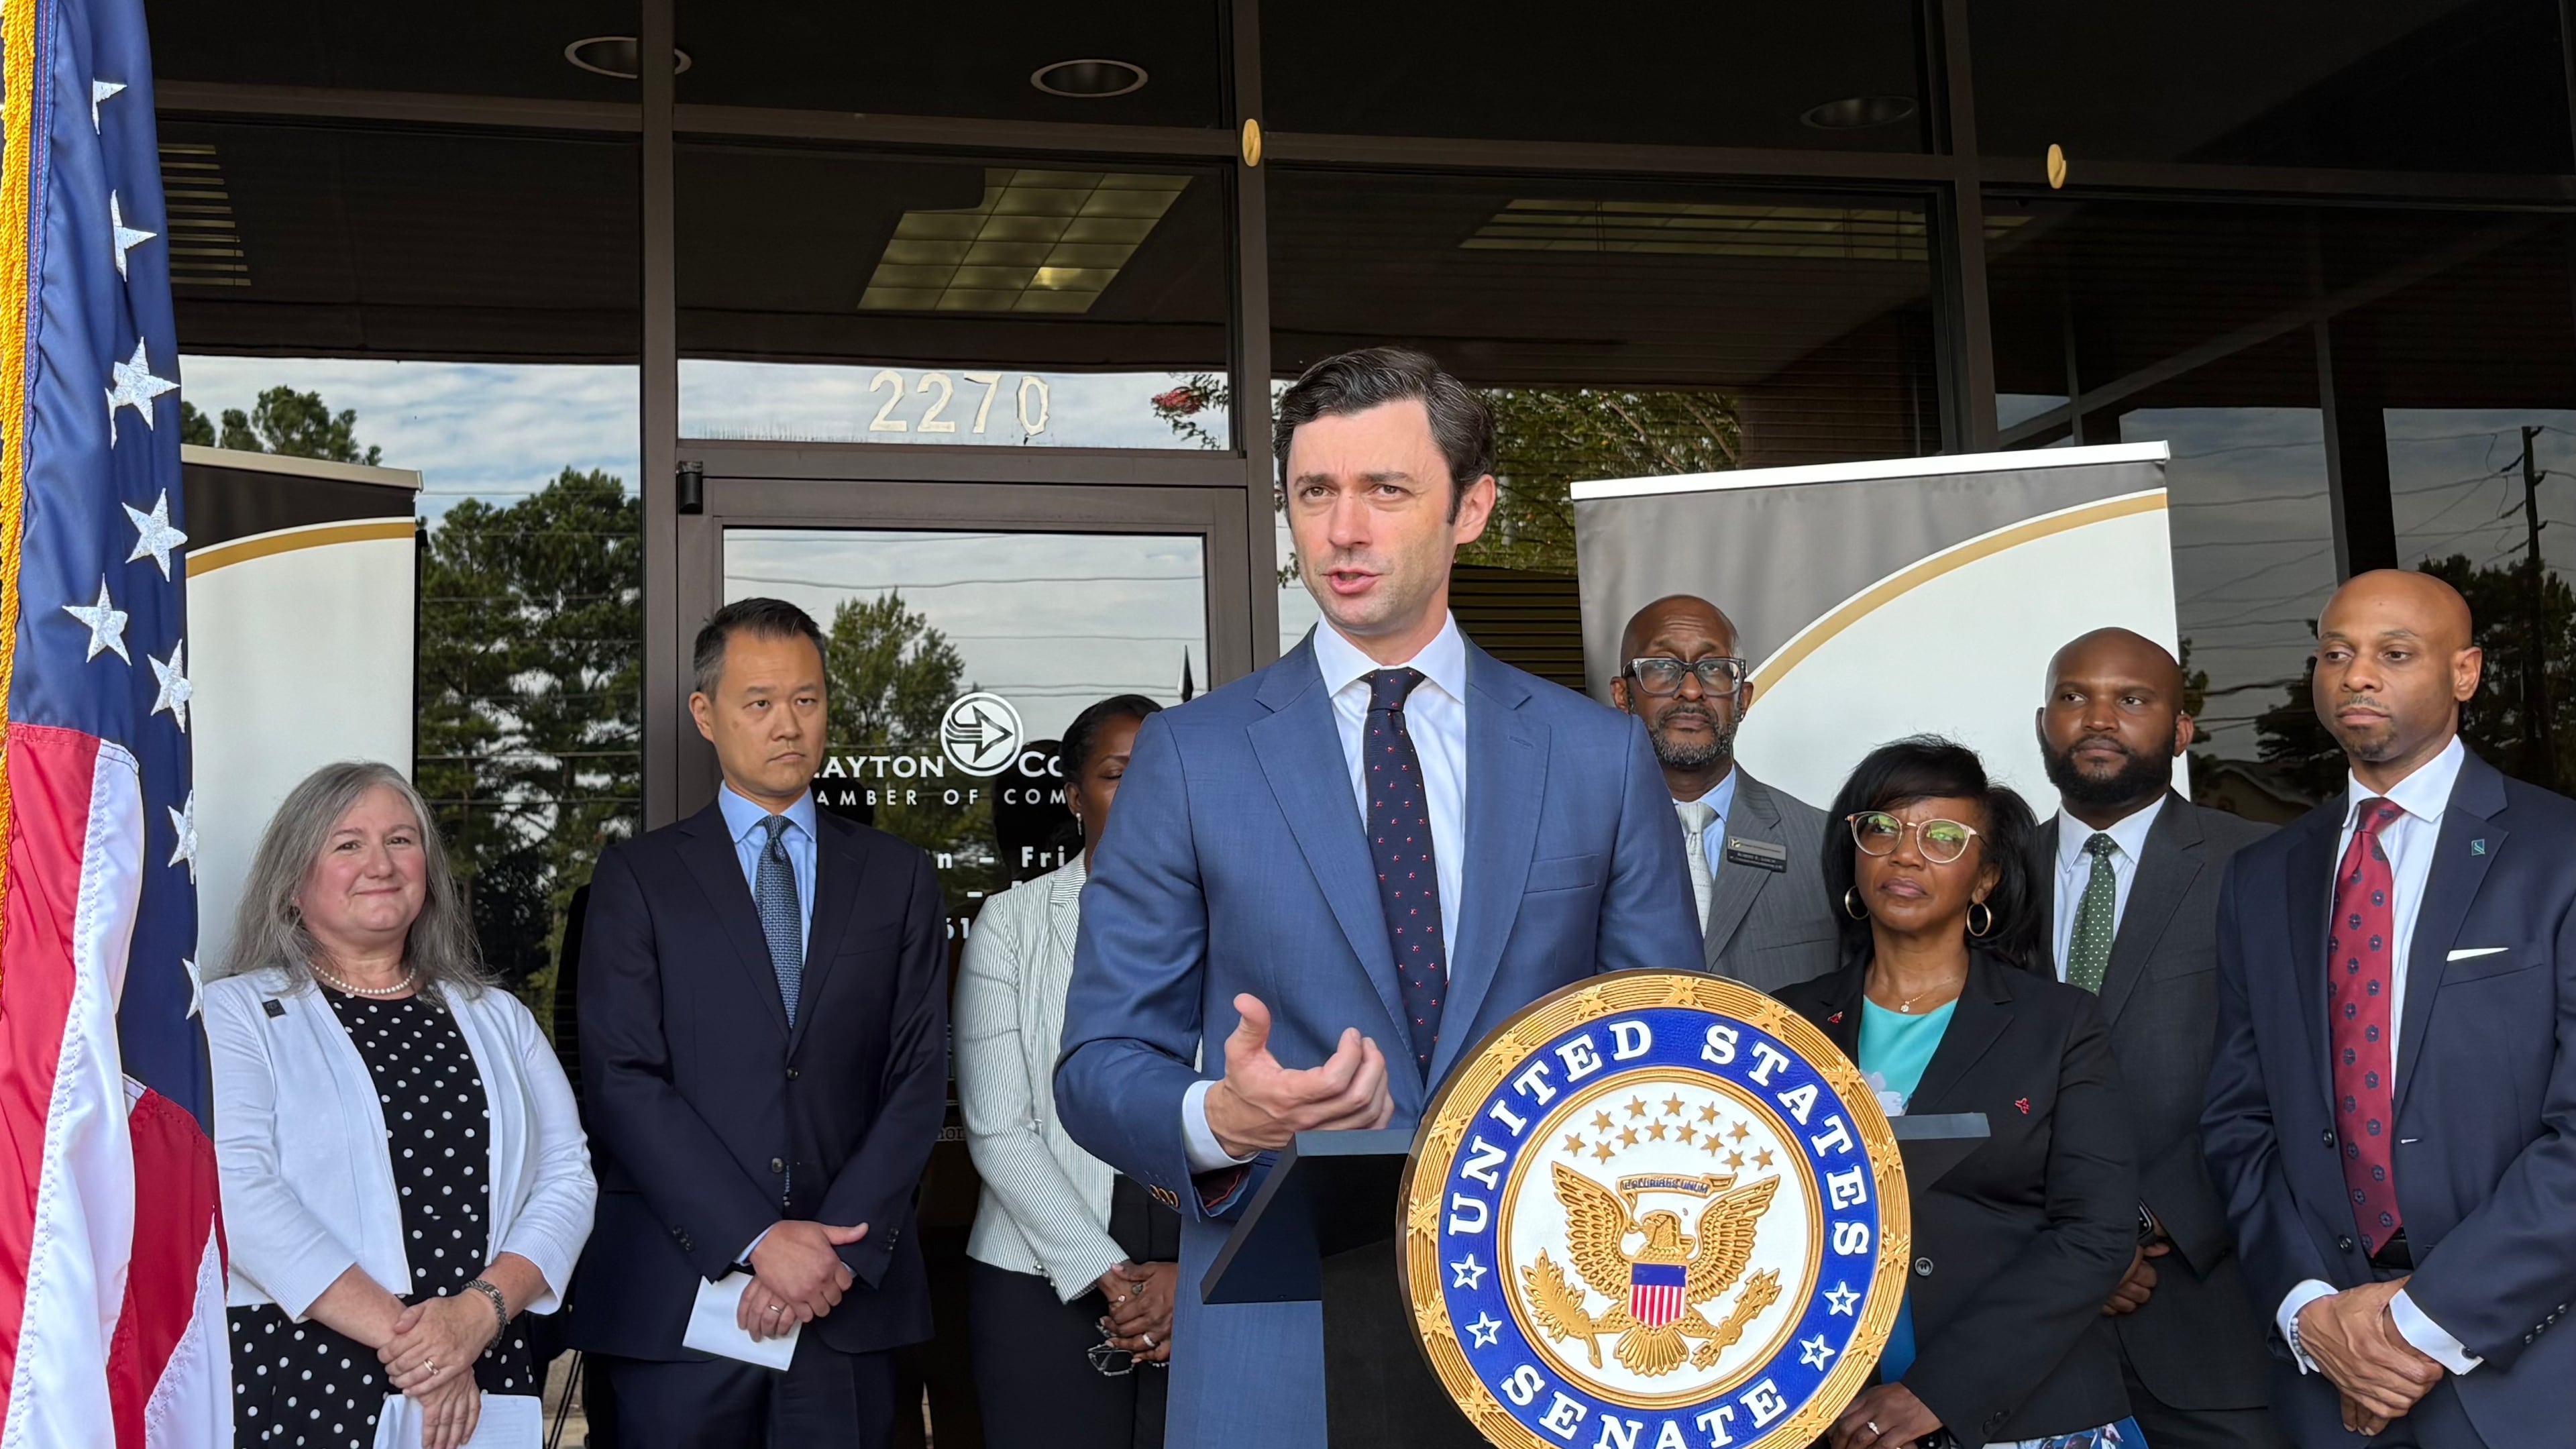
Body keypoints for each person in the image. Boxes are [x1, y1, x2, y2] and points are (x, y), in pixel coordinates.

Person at [1055, 346, 1701, 1449]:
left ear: (1473, 509)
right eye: (1316, 493)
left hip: (1558, 1340)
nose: (1343, 531)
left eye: (1385, 490)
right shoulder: (1189, 758)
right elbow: (1098, 1066)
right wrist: (1220, 1117)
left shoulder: (1597, 759)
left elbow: (1672, 1043)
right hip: (1280, 1351)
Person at [2202, 570, 2576, 1448]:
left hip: (2526, 1375)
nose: (2357, 675)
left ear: (2466, 673)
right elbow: (2237, 1119)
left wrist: (2417, 1327)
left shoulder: (2559, 855)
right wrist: (2310, 1312)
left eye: (2394, 654)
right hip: (2324, 1379)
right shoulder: (2264, 878)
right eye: (2337, 653)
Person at [572, 598, 949, 1449]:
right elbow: (623, 1079)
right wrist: (755, 1237)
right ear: (706, 714)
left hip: (847, 1303)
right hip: (682, 1303)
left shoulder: (896, 877)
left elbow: (918, 1076)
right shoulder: (638, 879)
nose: (789, 725)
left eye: (807, 701)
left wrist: (825, 1255)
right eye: (761, 702)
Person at [206, 761, 596, 1449]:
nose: (380, 864)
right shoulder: (235, 1011)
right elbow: (234, 1189)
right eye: (347, 844)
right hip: (303, 1372)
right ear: (293, 883)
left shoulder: (499, 1017)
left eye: (401, 840)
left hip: (484, 1356)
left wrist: (476, 1316)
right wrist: (421, 1344)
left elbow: (568, 1177)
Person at [1778, 737, 2140, 1449]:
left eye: (1944, 838)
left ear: (1985, 880)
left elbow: (2096, 1235)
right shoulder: (1783, 1025)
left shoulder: (2059, 1025)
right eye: (1882, 829)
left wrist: (1936, 1392)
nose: (1906, 855)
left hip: (2032, 1412)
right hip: (1833, 1419)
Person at [2031, 629, 2284, 1449]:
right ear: (2043, 723)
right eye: (2075, 697)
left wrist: (2138, 1222)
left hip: (2208, 1321)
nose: (2098, 718)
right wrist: (2071, 1244)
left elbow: (2296, 1073)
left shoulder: (2262, 866)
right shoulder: (1985, 876)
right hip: (2024, 1337)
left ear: (2181, 732)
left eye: (2132, 700)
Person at [958, 694, 1178, 1448]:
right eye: (1118, 774)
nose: (1144, 790)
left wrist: (1191, 1279)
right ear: (1073, 795)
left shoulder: (1238, 917)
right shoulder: (1013, 924)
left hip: (1199, 1275)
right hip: (1038, 1276)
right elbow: (996, 1129)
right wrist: (1112, 1278)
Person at [1610, 592, 1839, 990]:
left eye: (1715, 668)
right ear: (1622, 696)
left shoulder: (1826, 844)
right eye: (1662, 667)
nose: (1693, 691)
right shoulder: (1576, 845)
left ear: (1743, 698)